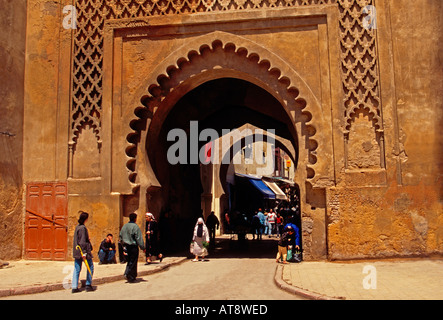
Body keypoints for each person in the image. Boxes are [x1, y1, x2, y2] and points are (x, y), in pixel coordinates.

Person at [72, 211, 95, 293]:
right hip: (83, 252)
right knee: (90, 267)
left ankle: (74, 286)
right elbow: (82, 242)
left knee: (77, 268)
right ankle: (88, 285)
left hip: (77, 251)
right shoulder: (82, 228)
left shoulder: (78, 227)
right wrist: (84, 253)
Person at [120, 213, 145, 283]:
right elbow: (138, 238)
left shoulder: (124, 226)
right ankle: (130, 276)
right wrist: (143, 247)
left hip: (126, 246)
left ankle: (128, 274)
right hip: (133, 246)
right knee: (133, 262)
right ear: (135, 219)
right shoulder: (135, 227)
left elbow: (120, 237)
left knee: (129, 261)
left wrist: (123, 245)